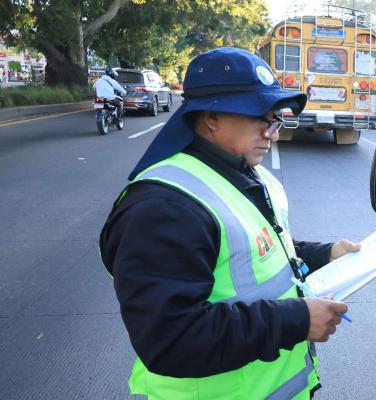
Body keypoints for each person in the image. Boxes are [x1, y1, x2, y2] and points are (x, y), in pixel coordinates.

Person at [99, 47, 361, 399]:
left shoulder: (241, 170)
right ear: (212, 118)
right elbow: (171, 339)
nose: (273, 134)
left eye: (276, 121)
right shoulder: (164, 208)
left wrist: (324, 254)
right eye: (263, 121)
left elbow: (258, 248)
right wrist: (297, 320)